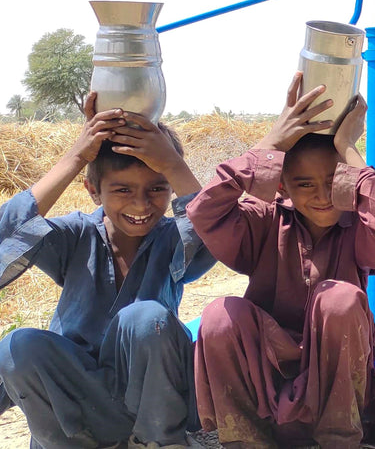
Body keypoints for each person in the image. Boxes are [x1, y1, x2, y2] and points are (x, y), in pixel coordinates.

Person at [187, 73, 375, 449]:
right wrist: (272, 143)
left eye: (332, 181)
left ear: (346, 179)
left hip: (336, 385)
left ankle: (338, 439)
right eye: (305, 184)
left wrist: (347, 146)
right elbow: (204, 212)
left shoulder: (357, 225)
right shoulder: (266, 218)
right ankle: (246, 440)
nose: (322, 196)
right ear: (283, 186)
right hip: (266, 377)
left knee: (339, 299)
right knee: (218, 315)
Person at [0, 92, 215, 448]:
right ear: (93, 190)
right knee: (16, 346)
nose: (141, 204)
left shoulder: (175, 239)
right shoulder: (74, 235)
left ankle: (159, 444)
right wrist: (77, 155)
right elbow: (8, 233)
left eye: (157, 188)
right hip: (81, 405)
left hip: (151, 407)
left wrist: (174, 165)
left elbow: (217, 234)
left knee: (147, 318)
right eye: (122, 189)